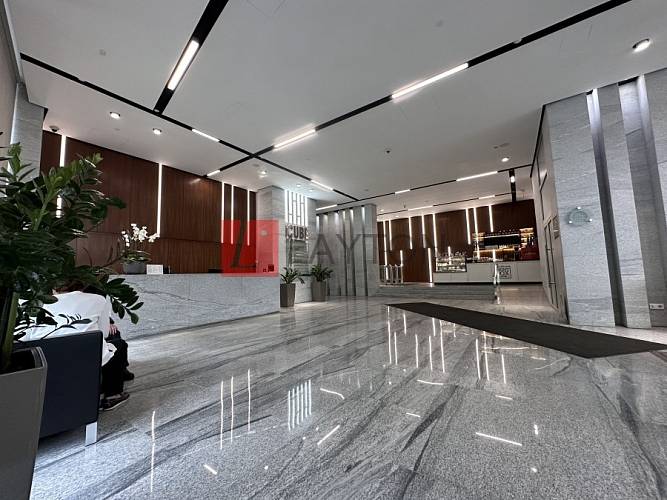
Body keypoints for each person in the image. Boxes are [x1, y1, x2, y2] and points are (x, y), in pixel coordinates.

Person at [21, 288, 131, 410]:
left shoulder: (35, 303)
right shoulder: (97, 299)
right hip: (83, 356)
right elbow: (104, 333)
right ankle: (113, 395)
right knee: (119, 345)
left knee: (112, 340)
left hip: (44, 358)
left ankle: (118, 374)